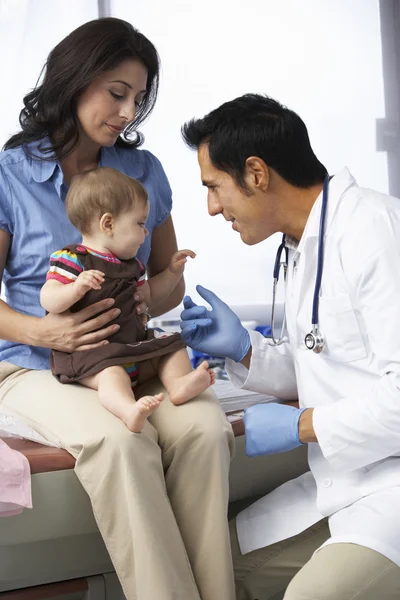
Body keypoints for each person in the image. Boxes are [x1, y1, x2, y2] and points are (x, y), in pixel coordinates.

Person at [0, 18, 235, 600]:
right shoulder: (10, 176)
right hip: (30, 363)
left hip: (127, 351)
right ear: (75, 80)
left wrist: (150, 295)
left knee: (205, 428)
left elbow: (165, 286)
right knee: (121, 440)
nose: (128, 111)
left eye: (138, 98)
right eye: (117, 92)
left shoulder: (142, 171)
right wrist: (48, 329)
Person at [180, 93, 400, 599]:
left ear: (256, 173)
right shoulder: (304, 245)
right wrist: (244, 350)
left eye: (214, 188)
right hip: (345, 482)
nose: (212, 207)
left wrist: (302, 425)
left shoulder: (373, 231)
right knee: (212, 567)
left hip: (391, 487)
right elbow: (328, 363)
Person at [41, 166, 215, 432]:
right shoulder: (73, 258)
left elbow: (151, 294)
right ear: (108, 224)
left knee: (169, 342)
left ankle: (178, 383)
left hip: (131, 348)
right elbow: (48, 299)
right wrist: (75, 288)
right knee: (114, 376)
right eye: (140, 224)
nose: (146, 233)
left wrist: (171, 272)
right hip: (92, 358)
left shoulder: (130, 265)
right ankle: (127, 409)